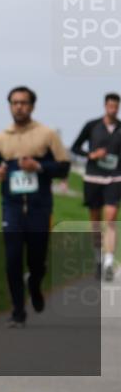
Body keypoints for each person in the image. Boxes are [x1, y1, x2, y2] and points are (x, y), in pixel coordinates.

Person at [0, 86, 71, 328]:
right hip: (11, 206)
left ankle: (34, 284)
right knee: (12, 259)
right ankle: (18, 311)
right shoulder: (1, 138)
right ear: (10, 106)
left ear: (32, 106)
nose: (18, 107)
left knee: (37, 260)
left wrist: (40, 167)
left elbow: (64, 167)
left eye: (23, 102)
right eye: (14, 103)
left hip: (39, 207)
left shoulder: (47, 134)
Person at [71, 92, 121, 281]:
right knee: (96, 221)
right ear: (105, 106)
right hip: (93, 178)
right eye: (110, 106)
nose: (113, 109)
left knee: (111, 219)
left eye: (116, 107)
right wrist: (91, 155)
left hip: (115, 179)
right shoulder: (92, 126)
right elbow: (75, 147)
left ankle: (108, 261)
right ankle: (98, 259)